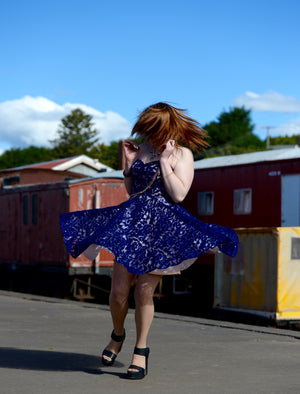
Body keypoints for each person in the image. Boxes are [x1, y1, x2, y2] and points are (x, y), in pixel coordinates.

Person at [60, 102, 239, 380]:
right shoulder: (142, 149)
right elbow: (133, 190)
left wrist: (167, 163)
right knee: (119, 291)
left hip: (161, 229)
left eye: (153, 129)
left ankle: (140, 352)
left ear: (167, 127)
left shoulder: (183, 154)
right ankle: (117, 335)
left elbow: (179, 195)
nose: (148, 134)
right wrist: (129, 166)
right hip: (133, 224)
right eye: (146, 129)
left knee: (144, 290)